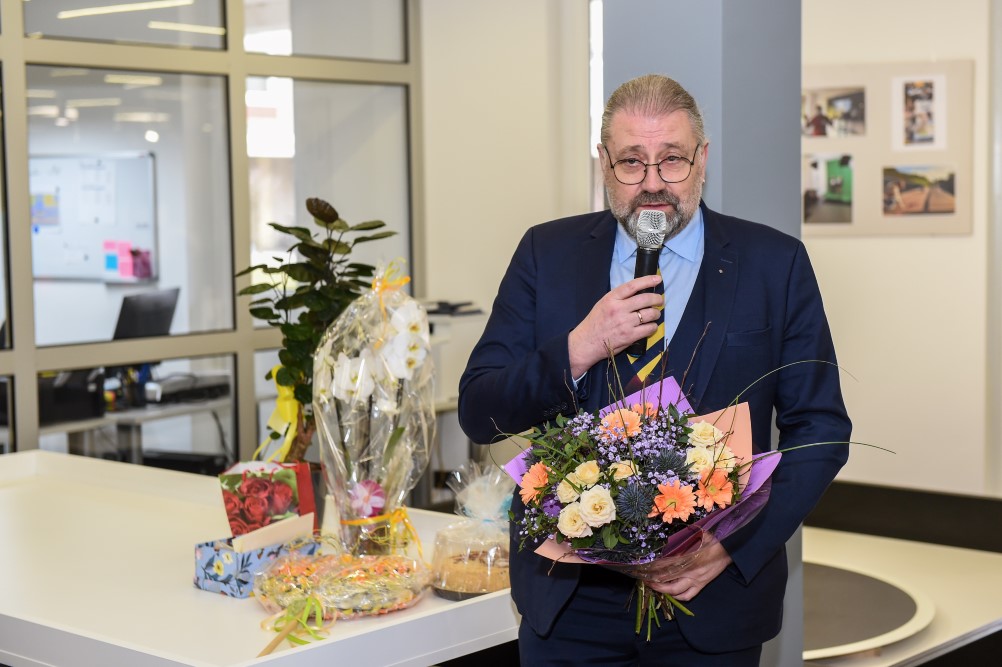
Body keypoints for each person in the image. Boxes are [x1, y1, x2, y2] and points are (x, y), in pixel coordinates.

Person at [458, 74, 851, 666]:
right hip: (569, 601)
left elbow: (820, 429)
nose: (652, 184)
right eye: (631, 162)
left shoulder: (775, 263)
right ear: (603, 162)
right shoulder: (546, 253)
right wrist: (580, 347)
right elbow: (479, 410)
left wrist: (730, 545)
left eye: (672, 160)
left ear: (702, 159)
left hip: (713, 598)